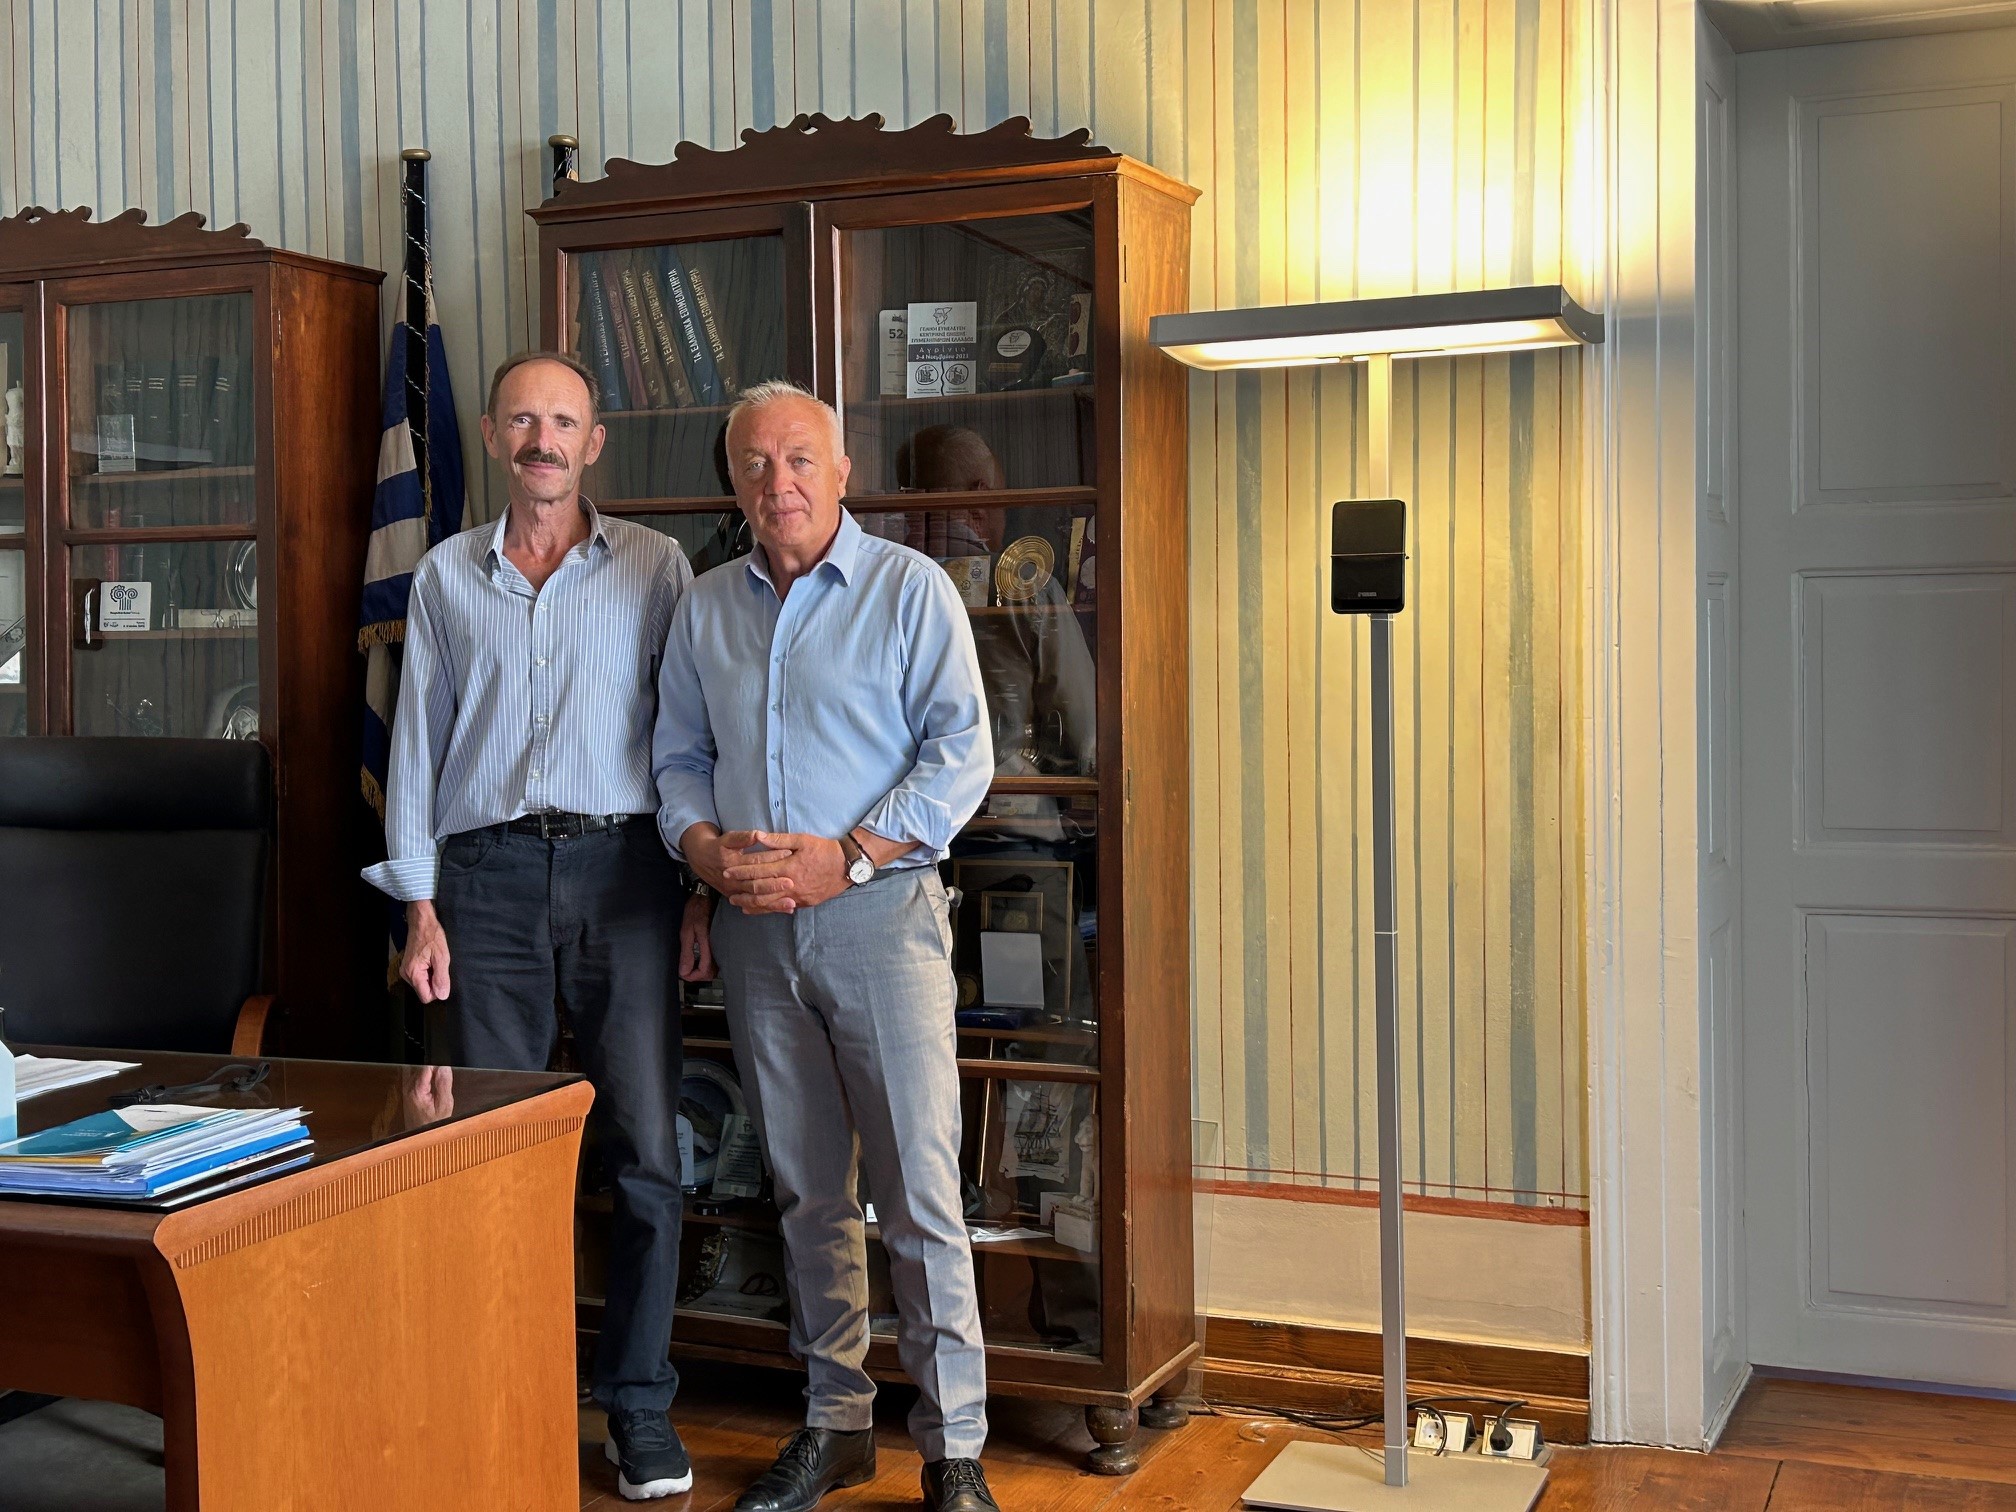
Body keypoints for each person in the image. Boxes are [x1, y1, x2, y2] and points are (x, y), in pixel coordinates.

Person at [654, 381, 1002, 1512]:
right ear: (735, 483)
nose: (780, 482)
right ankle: (836, 1422)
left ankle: (954, 1450)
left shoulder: (910, 590)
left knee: (919, 1195)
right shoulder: (705, 606)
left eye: (801, 458)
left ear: (843, 472)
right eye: (756, 464)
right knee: (807, 1192)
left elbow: (961, 756)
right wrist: (704, 855)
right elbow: (678, 761)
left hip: (880, 919)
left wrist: (847, 857)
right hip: (757, 932)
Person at [362, 350, 699, 1502]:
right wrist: (419, 909)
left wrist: (698, 889)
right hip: (484, 884)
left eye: (563, 422)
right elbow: (418, 746)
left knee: (645, 1153)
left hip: (629, 875)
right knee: (482, 1150)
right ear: (496, 437)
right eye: (522, 420)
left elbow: (688, 740)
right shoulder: (446, 577)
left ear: (592, 443)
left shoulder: (656, 567)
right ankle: (495, 1388)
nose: (542, 441)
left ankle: (638, 1406)